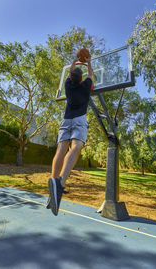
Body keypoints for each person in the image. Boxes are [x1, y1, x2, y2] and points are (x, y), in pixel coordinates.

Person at [47, 54, 94, 216]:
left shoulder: (68, 85)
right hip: (79, 119)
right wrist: (88, 63)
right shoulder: (86, 85)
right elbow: (91, 75)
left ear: (71, 77)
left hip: (66, 120)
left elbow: (70, 73)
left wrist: (74, 61)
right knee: (76, 147)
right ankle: (60, 183)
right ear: (81, 79)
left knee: (60, 150)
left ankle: (53, 186)